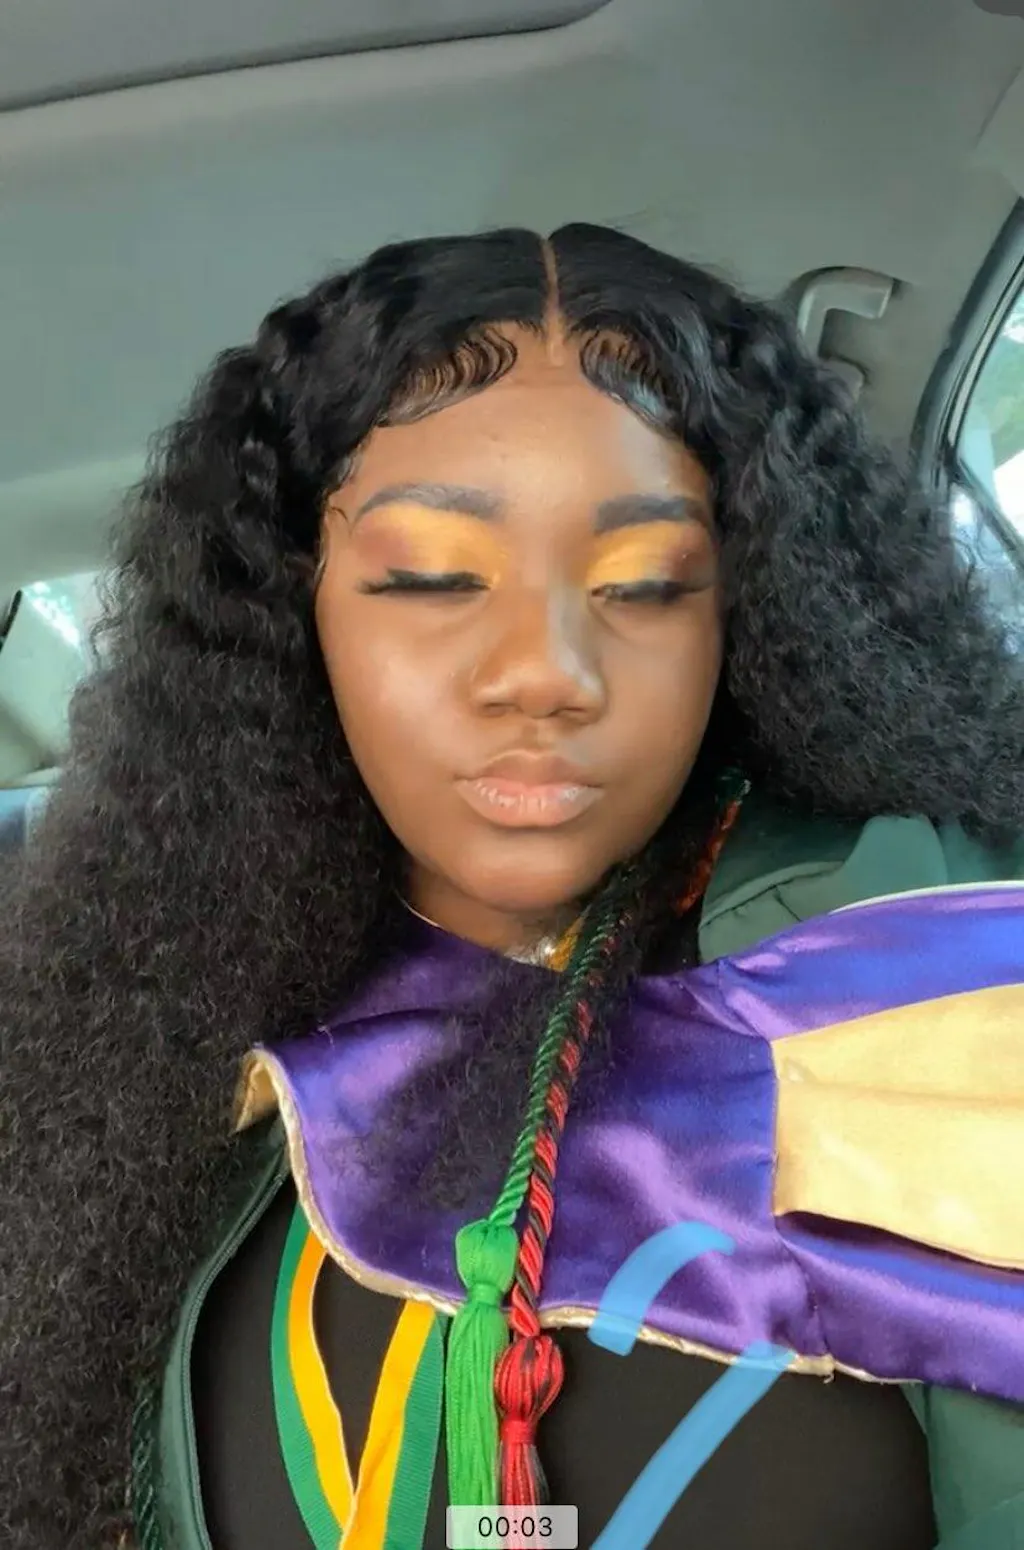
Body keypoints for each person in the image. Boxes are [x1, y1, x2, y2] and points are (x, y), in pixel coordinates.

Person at [2, 224, 1022, 1550]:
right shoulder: (148, 1052)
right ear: (298, 609)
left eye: (645, 586)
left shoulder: (928, 979)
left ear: (750, 612)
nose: (544, 670)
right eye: (432, 578)